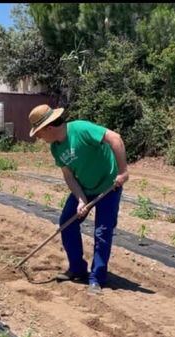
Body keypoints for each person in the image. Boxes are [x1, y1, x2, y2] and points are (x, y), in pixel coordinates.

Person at [28, 104, 129, 294]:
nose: (39, 138)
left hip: (109, 186)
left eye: (39, 133)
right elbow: (68, 176)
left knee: (102, 231)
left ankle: (97, 278)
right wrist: (81, 200)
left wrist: (123, 171)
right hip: (83, 187)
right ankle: (77, 268)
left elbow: (115, 138)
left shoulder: (81, 129)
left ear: (48, 127)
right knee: (67, 222)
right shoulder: (56, 148)